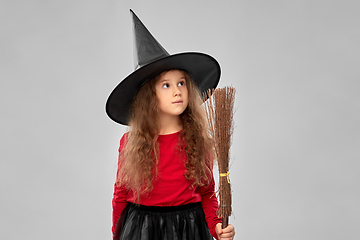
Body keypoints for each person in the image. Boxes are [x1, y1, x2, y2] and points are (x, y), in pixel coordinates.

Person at [106, 10, 235, 240]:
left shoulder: (198, 140)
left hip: (190, 229)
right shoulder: (130, 143)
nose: (177, 91)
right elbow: (121, 195)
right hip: (142, 230)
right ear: (149, 97)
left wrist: (216, 226)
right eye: (166, 85)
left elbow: (206, 193)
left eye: (181, 83)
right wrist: (117, 234)